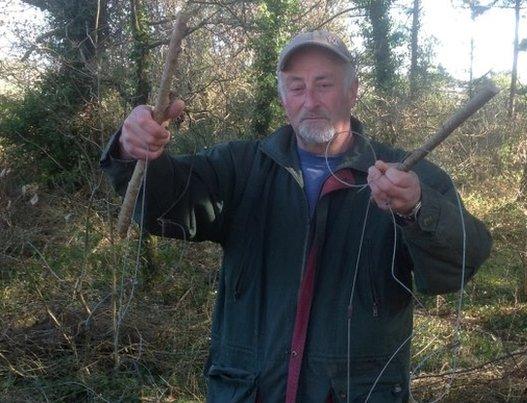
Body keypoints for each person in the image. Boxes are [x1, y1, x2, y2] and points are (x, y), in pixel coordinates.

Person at [101, 30, 491, 403]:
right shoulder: (241, 167)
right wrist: (131, 148)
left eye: (324, 84)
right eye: (296, 86)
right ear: (283, 96)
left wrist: (418, 207)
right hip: (249, 392)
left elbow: (461, 262)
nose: (310, 100)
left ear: (352, 92)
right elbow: (167, 203)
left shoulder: (407, 175)